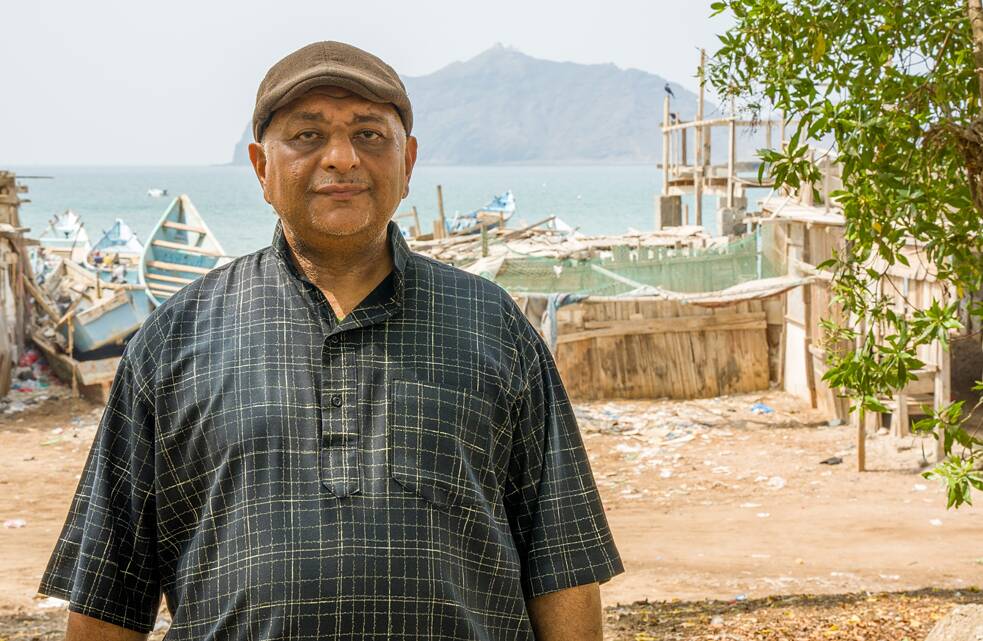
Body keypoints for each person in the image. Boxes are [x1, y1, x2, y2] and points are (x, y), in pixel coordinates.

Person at [39, 41, 623, 641]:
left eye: (369, 135)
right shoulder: (175, 338)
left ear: (409, 161)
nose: (341, 159)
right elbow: (109, 592)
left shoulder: (491, 325)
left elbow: (563, 561)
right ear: (262, 168)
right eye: (308, 136)